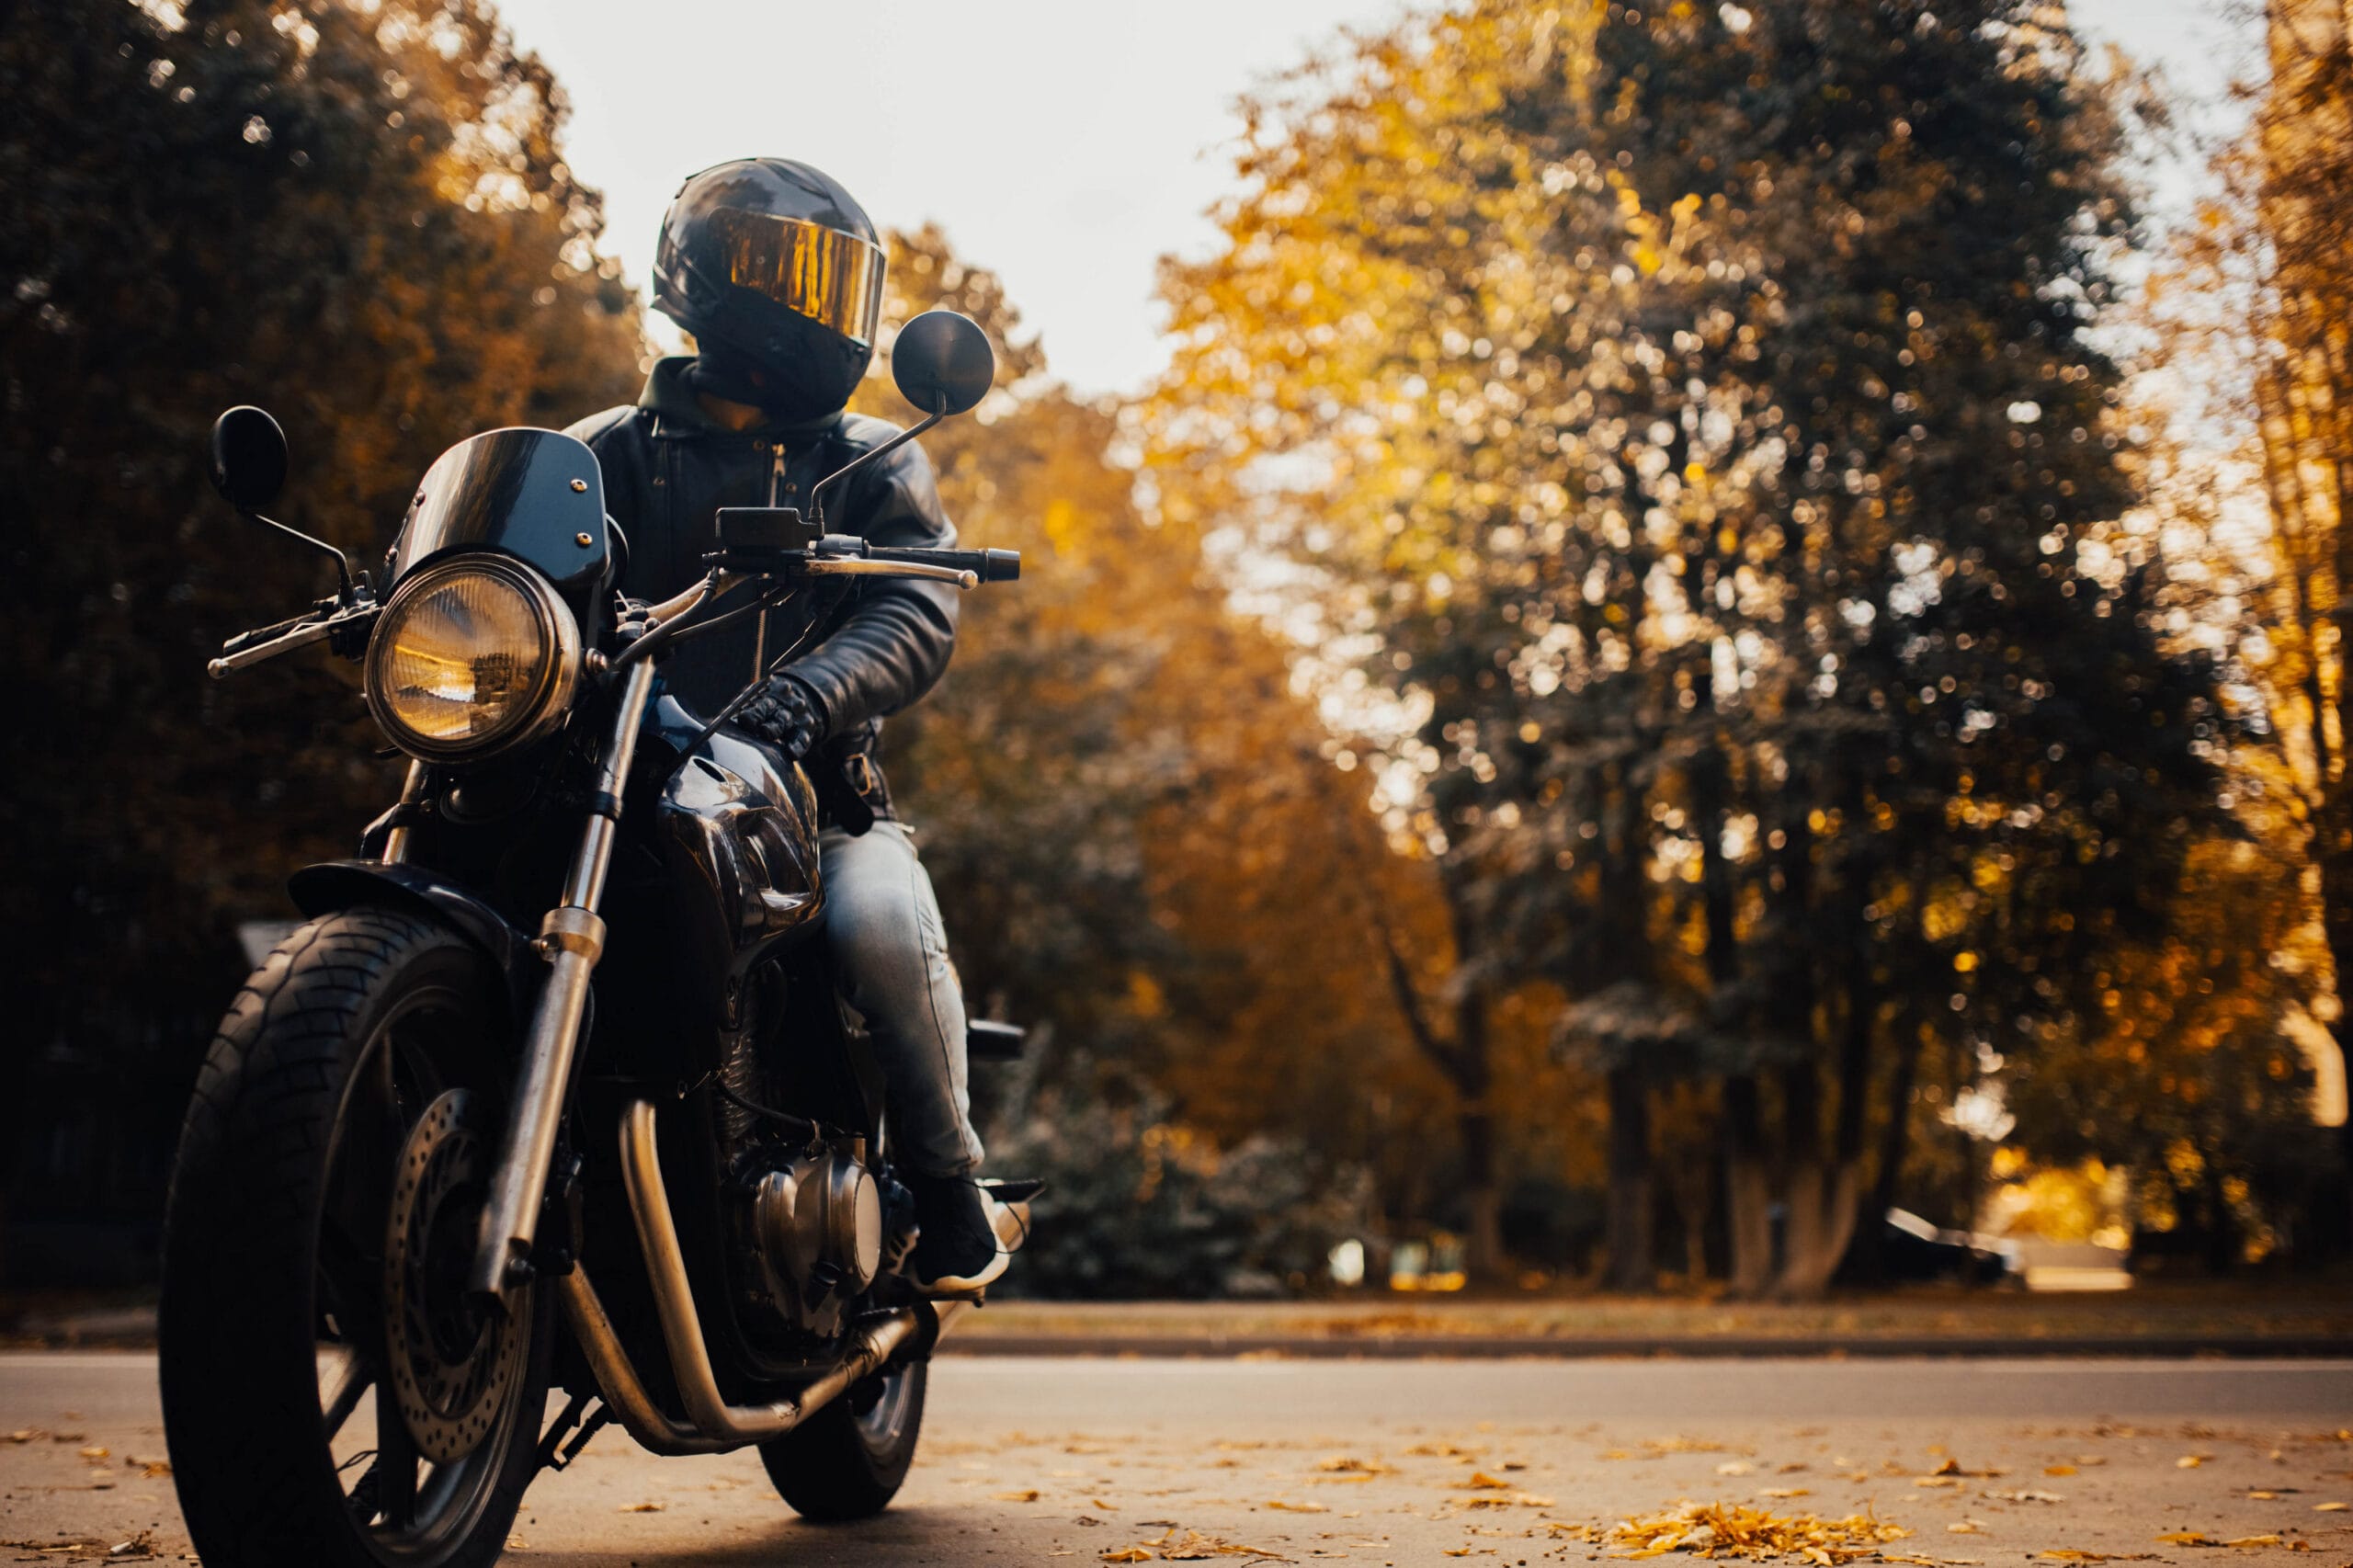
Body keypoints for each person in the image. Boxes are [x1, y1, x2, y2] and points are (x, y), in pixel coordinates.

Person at [564, 156, 1001, 1293]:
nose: (811, 302)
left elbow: (915, 604)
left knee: (875, 927)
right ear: (707, 276)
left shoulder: (863, 458)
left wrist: (806, 696)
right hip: (613, 795)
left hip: (808, 807)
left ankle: (953, 1193)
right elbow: (514, 566)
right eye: (783, 269)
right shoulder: (600, 451)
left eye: (829, 279)